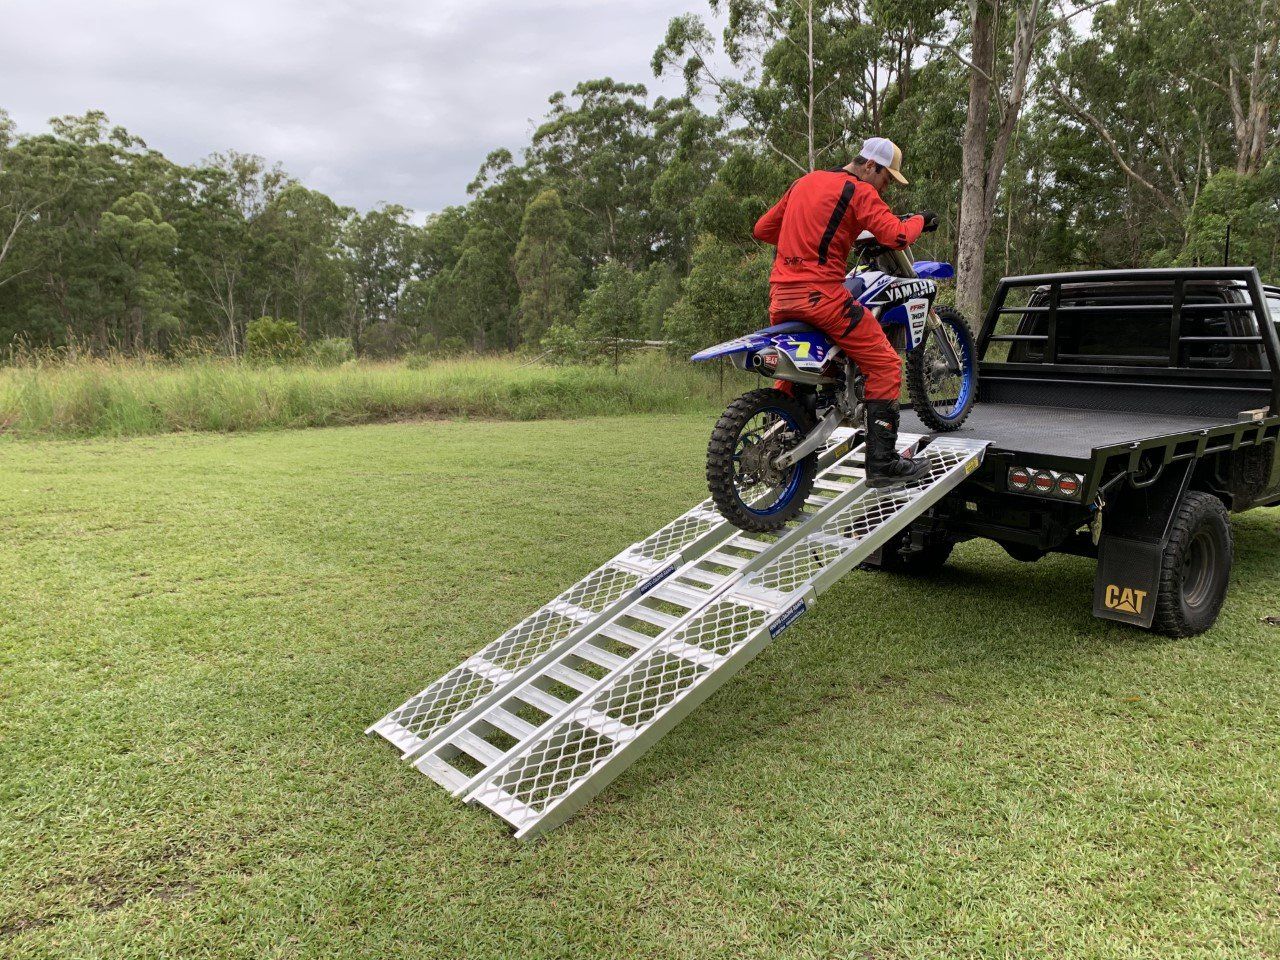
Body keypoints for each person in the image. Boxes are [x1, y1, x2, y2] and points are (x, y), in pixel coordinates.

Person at [752, 136, 940, 488]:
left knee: (798, 369)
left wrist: (808, 236)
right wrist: (919, 219)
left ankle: (779, 439)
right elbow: (898, 235)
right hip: (821, 296)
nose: (885, 189)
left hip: (781, 297)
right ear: (872, 165)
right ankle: (883, 463)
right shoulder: (860, 191)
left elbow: (763, 230)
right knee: (884, 364)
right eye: (886, 180)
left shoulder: (804, 182)